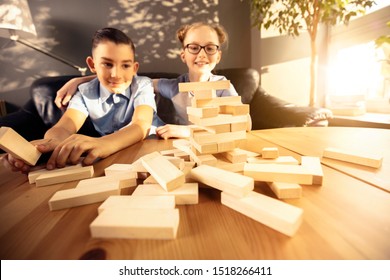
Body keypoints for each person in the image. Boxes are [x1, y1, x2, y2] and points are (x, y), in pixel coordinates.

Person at [2, 27, 158, 173]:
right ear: (92, 64)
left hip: (153, 150)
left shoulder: (142, 84)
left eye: (125, 65)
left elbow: (141, 124)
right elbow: (64, 127)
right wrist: (50, 143)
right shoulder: (85, 92)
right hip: (116, 158)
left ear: (134, 68)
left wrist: (104, 143)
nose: (116, 74)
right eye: (107, 64)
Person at [55, 22, 246, 139]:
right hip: (183, 148)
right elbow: (129, 79)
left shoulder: (223, 87)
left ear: (218, 56)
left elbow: (244, 125)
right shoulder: (174, 86)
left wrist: (188, 131)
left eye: (210, 48)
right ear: (183, 55)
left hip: (211, 144)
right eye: (194, 47)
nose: (202, 54)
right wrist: (79, 81)